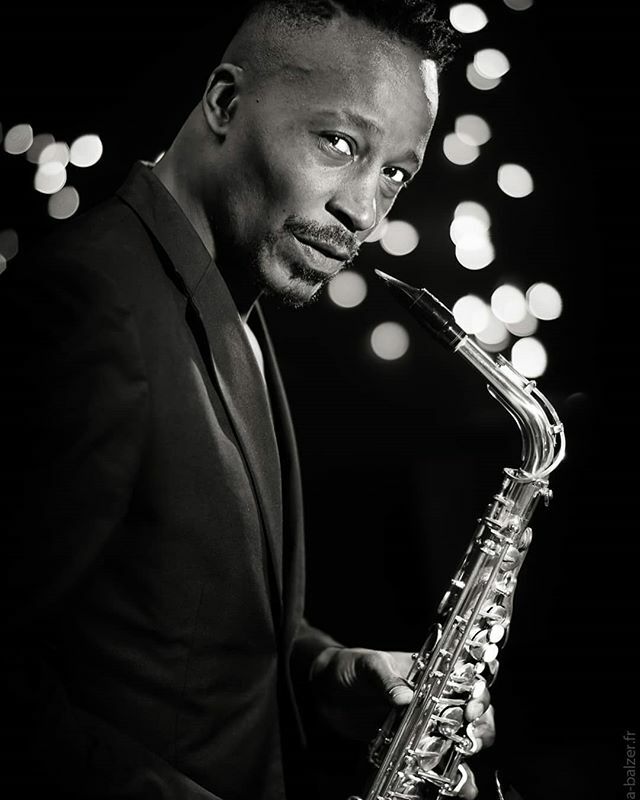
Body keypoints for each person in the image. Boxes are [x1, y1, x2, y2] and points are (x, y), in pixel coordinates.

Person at [0, 2, 495, 799]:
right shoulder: (85, 307)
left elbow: (178, 621)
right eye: (340, 144)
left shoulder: (232, 300)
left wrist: (326, 671)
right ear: (225, 103)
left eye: (395, 174)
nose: (364, 214)